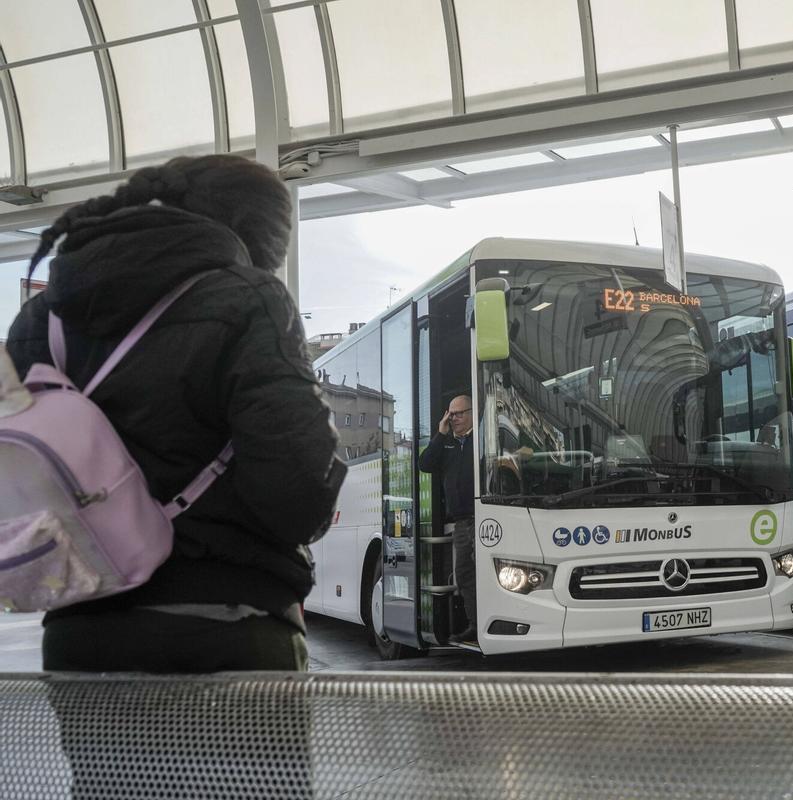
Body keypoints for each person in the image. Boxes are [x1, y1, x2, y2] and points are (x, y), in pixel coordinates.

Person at [5, 154, 346, 672]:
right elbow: (297, 496)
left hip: (80, 634)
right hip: (227, 626)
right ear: (260, 235)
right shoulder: (249, 298)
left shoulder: (42, 315)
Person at [419, 394, 477, 643]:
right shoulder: (448, 444)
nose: (454, 419)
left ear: (472, 412)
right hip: (462, 522)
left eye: (459, 413)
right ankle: (475, 624)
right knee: (464, 574)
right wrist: (440, 435)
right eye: (451, 414)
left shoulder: (484, 439)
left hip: (485, 516)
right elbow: (425, 464)